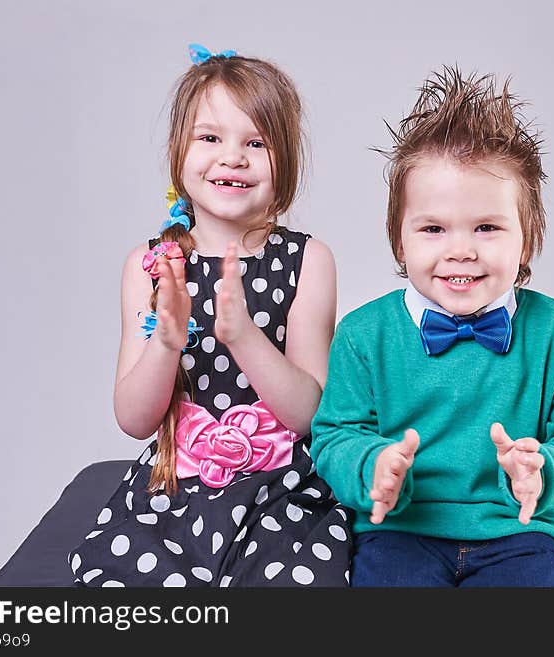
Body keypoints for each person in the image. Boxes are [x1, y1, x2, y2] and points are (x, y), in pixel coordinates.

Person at [310, 66, 554, 587]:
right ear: (399, 242)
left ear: (528, 239)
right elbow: (333, 437)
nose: (461, 250)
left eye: (487, 227)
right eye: (433, 229)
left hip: (519, 536)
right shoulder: (364, 334)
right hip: (399, 532)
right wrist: (373, 467)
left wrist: (543, 471)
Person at [69, 44, 351, 587]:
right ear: (179, 152)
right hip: (173, 489)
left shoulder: (307, 261)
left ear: (285, 161)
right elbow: (133, 420)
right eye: (210, 138)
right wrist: (166, 343)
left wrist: (243, 336)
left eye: (256, 142)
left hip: (282, 490)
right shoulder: (151, 265)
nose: (233, 157)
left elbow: (311, 414)